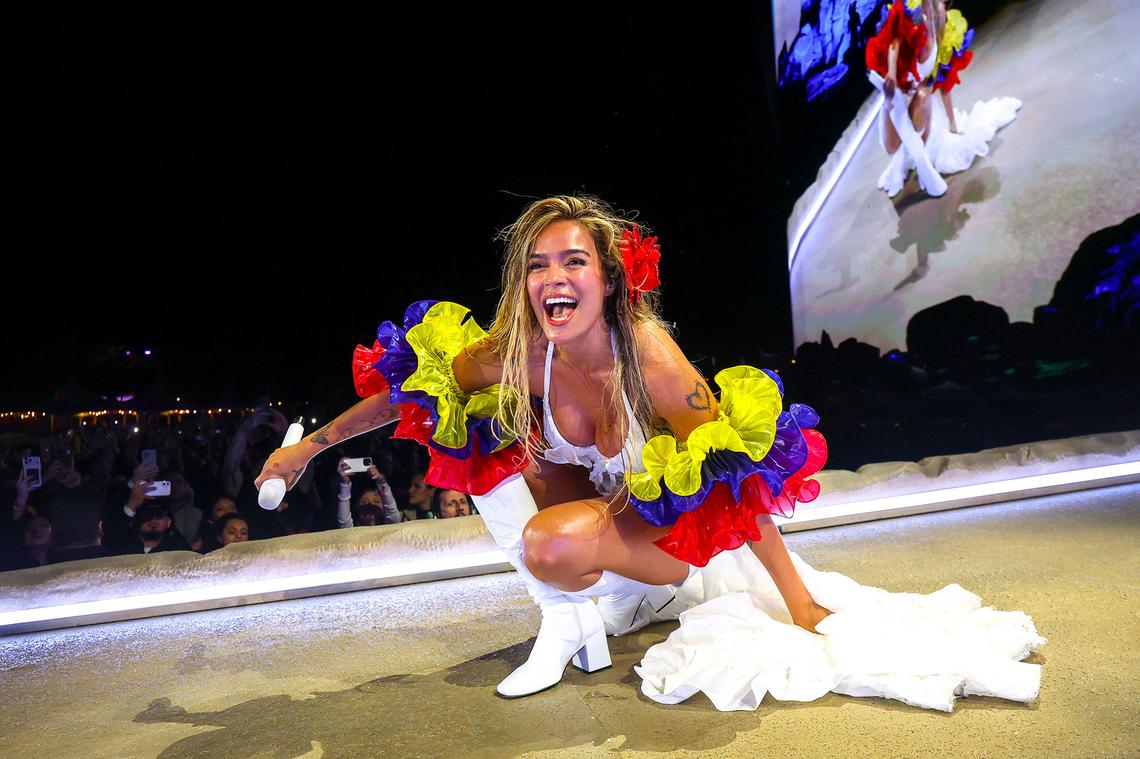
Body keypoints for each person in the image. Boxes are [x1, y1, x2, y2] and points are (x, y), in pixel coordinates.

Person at [256, 196, 1042, 709]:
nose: (552, 278)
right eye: (536, 264)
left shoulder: (651, 357)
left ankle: (617, 602)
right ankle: (578, 620)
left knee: (548, 541)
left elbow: (739, 484)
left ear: (608, 279)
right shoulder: (523, 351)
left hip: (674, 540)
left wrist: (797, 599)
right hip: (601, 516)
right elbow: (408, 395)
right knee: (473, 419)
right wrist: (310, 450)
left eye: (572, 262)